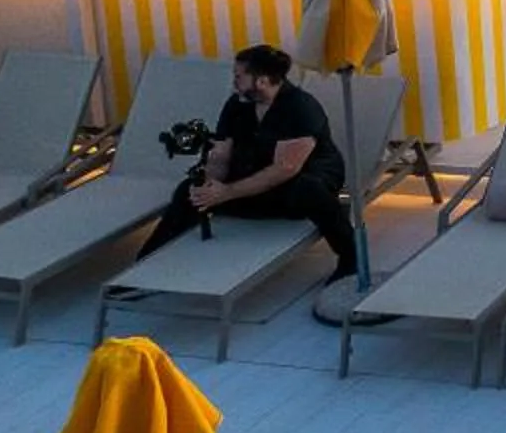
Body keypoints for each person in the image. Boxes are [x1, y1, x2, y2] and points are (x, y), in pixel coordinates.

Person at [137, 44, 356, 280]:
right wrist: (210, 184)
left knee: (310, 190)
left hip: (291, 188)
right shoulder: (237, 106)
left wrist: (228, 193)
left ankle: (350, 259)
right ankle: (144, 263)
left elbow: (286, 168)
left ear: (261, 81)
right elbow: (221, 154)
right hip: (251, 186)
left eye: (239, 77)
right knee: (187, 191)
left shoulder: (300, 107)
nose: (234, 82)